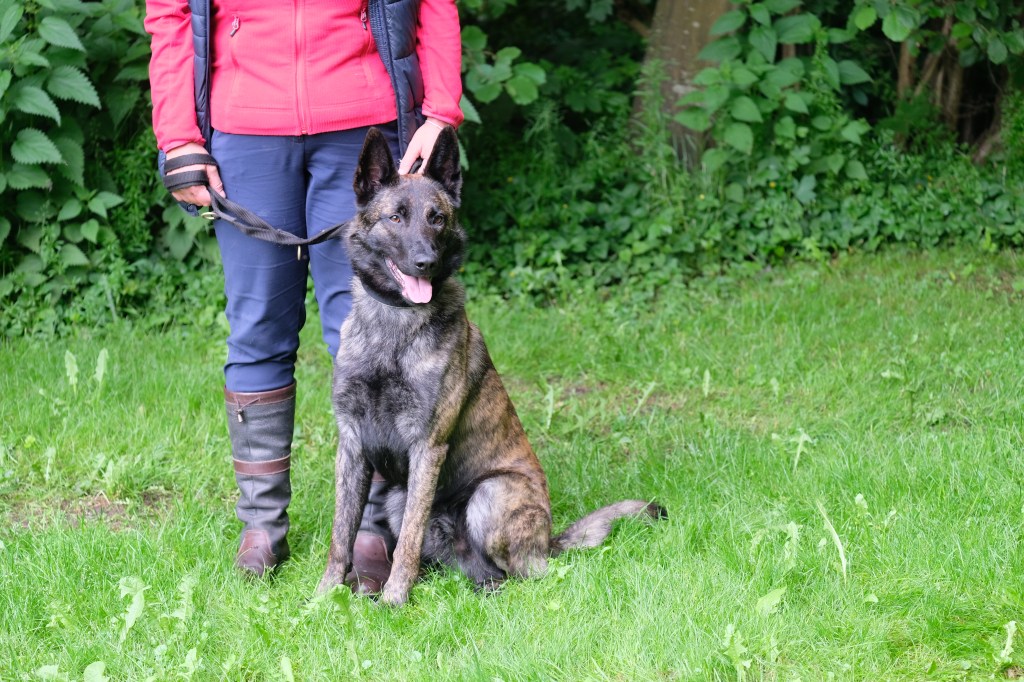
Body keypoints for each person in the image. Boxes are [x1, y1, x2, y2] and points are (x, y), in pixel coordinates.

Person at [144, 0, 464, 593]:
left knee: (377, 333)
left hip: (362, 120)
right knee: (258, 328)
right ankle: (262, 525)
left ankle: (374, 528)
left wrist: (441, 109)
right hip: (246, 127)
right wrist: (178, 135)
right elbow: (170, 13)